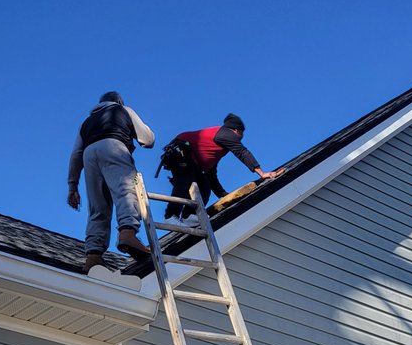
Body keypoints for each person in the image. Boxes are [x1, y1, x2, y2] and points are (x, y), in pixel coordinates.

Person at [67, 91, 156, 274]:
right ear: (118, 101)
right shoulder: (123, 110)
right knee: (127, 190)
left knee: (98, 206)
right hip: (114, 146)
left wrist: (72, 186)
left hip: (88, 154)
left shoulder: (86, 122)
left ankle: (93, 255)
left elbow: (76, 154)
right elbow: (147, 140)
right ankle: (128, 233)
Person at [163, 113, 284, 219]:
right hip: (180, 149)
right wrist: (262, 173)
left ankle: (188, 216)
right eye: (242, 134)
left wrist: (223, 195)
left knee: (204, 186)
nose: (241, 138)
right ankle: (170, 216)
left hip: (191, 159)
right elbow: (242, 152)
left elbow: (211, 175)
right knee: (185, 180)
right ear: (237, 130)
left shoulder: (214, 148)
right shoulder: (226, 134)